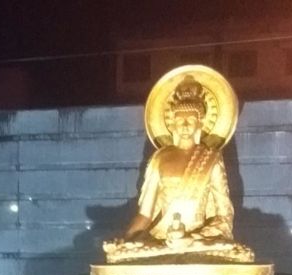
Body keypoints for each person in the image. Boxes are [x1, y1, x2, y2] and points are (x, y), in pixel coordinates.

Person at [104, 75, 253, 264]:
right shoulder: (160, 158)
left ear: (200, 123)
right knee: (119, 254)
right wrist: (127, 239)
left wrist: (194, 238)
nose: (185, 125)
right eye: (180, 120)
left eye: (190, 120)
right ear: (172, 123)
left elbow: (224, 216)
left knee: (239, 253)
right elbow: (145, 214)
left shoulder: (211, 158)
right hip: (162, 240)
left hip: (197, 242)